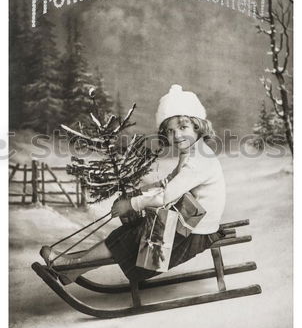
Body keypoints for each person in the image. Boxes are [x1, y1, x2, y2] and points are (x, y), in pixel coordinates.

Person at [40, 84, 226, 284]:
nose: (177, 135)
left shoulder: (199, 160)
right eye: (171, 131)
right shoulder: (191, 152)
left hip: (194, 232)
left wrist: (131, 204)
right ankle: (71, 268)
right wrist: (139, 192)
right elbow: (169, 181)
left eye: (183, 127)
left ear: (198, 126)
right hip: (188, 223)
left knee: (132, 237)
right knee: (126, 234)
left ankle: (70, 266)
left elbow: (166, 196)